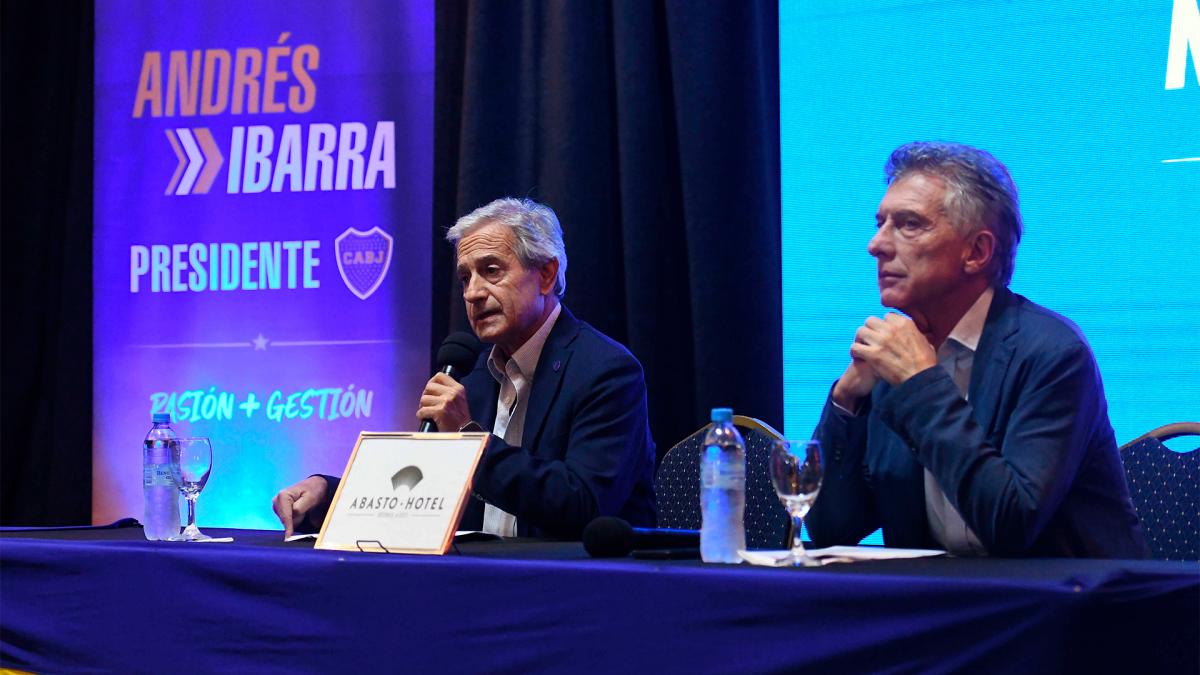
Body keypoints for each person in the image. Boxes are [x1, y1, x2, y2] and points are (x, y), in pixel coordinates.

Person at [805, 141, 1147, 558]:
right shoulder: (896, 358)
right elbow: (830, 529)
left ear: (977, 252)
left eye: (908, 224)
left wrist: (920, 385)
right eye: (880, 223)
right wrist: (846, 401)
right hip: (944, 605)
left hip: (1064, 608)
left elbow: (1011, 525)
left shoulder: (1053, 354)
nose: (876, 245)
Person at [272, 198, 657, 539]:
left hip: (574, 591)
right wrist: (326, 493)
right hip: (476, 583)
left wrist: (467, 438)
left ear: (545, 275)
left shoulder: (606, 371)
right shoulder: (471, 377)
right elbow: (416, 493)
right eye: (465, 277)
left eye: (491, 270)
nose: (472, 292)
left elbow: (584, 506)